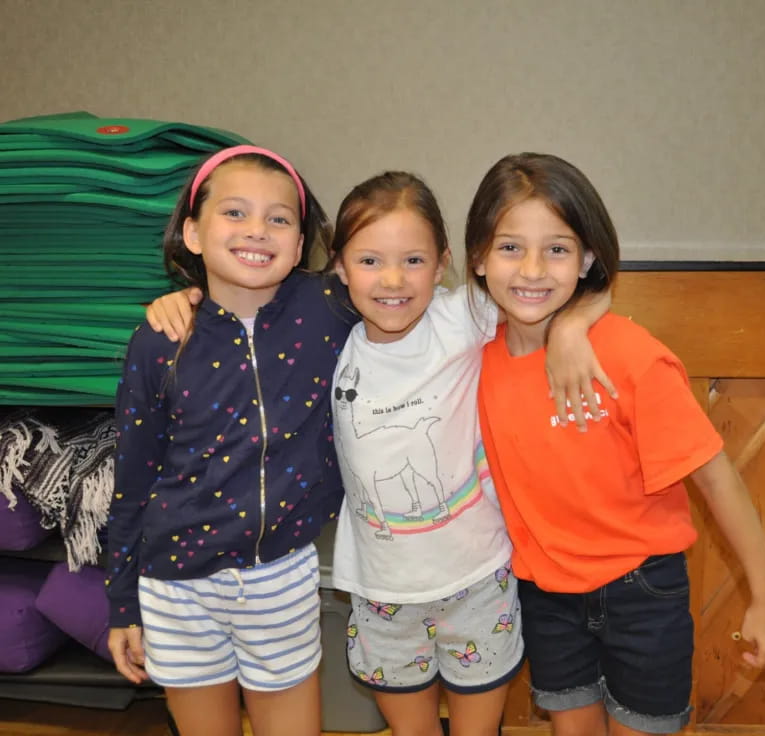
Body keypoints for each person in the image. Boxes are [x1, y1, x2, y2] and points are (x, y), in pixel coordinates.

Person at [144, 169, 612, 736]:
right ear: (339, 267)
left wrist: (571, 330)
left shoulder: (464, 315)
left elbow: (568, 286)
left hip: (479, 581)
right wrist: (186, 297)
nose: (393, 280)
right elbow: (245, 305)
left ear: (443, 263)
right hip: (380, 594)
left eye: (414, 261)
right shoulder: (324, 332)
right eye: (369, 262)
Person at [466, 153, 765, 736]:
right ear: (478, 257)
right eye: (510, 247)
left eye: (557, 249)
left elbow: (717, 478)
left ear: (587, 257)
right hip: (545, 593)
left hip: (644, 592)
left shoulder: (629, 355)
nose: (532, 269)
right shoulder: (473, 360)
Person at [106, 145, 356, 736]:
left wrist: (577, 320)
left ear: (300, 245)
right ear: (193, 233)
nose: (257, 231)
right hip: (175, 586)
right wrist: (122, 603)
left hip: (281, 575)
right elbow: (132, 480)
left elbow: (424, 294)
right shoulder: (161, 337)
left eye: (279, 218)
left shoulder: (329, 309)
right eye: (235, 213)